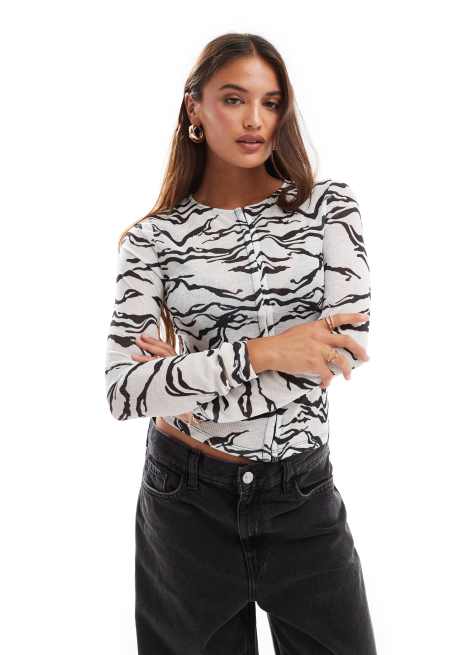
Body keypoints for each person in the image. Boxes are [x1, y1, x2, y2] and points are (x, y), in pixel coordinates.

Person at [104, 32, 378, 655]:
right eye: (234, 99)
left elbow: (336, 357)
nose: (255, 119)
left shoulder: (329, 210)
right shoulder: (151, 240)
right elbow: (123, 392)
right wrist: (267, 353)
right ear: (194, 108)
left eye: (271, 102)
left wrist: (181, 383)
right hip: (184, 506)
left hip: (301, 496)